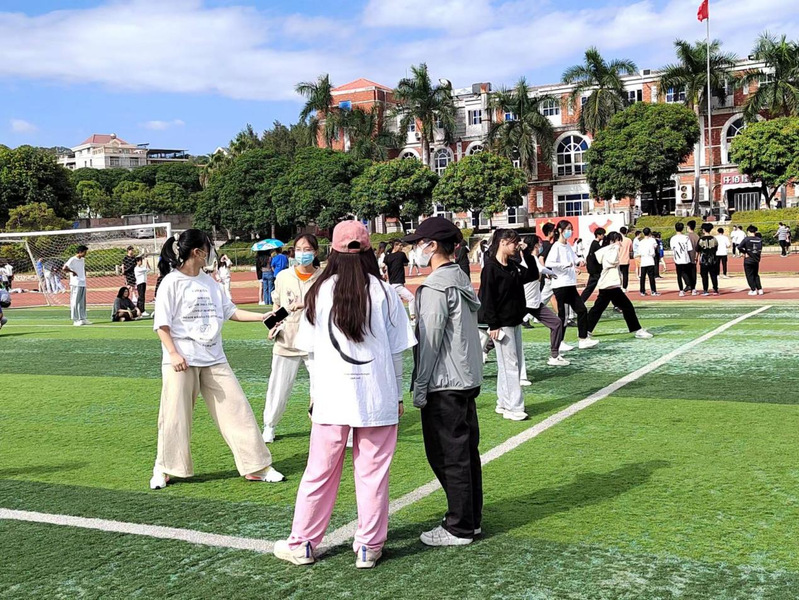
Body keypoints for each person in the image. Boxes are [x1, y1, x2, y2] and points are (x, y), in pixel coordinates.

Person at [274, 221, 415, 569]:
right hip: (377, 396)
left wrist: (314, 395)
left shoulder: (319, 292)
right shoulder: (385, 293)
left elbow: (310, 352)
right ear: (368, 251)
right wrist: (397, 394)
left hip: (331, 398)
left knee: (319, 472)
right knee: (372, 474)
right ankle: (369, 546)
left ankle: (303, 543)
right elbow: (397, 351)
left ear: (332, 252)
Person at [149, 229, 284, 491]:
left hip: (213, 358)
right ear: (197, 252)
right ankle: (164, 468)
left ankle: (256, 466)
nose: (212, 252)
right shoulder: (171, 282)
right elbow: (162, 325)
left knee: (237, 410)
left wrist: (262, 317)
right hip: (182, 360)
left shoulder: (211, 282)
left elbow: (230, 311)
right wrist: (173, 354)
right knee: (175, 417)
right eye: (208, 247)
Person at [402, 217, 483, 547]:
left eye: (418, 244)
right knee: (465, 454)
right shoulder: (460, 278)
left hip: (445, 382)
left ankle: (459, 525)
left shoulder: (436, 286)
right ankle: (470, 520)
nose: (415, 250)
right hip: (465, 378)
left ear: (432, 245)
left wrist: (420, 386)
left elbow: (430, 340)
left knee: (448, 456)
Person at [261, 234, 322, 443]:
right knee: (278, 387)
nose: (302, 254)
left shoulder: (324, 277)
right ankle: (269, 425)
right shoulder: (283, 276)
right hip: (287, 340)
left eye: (307, 249)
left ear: (316, 252)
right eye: (299, 249)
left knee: (321, 387)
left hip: (315, 342)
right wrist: (273, 326)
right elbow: (277, 305)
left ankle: (322, 425)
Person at [479, 229, 536, 421]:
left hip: (514, 320)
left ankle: (504, 402)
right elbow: (487, 298)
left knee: (510, 364)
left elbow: (532, 274)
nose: (516, 246)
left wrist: (527, 253)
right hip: (502, 324)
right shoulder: (490, 268)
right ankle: (514, 407)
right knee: (510, 365)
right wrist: (493, 324)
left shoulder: (512, 266)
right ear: (503, 242)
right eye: (514, 243)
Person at [587, 232, 653, 339]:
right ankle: (637, 330)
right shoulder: (608, 251)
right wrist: (615, 248)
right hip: (609, 285)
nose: (620, 243)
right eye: (618, 240)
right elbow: (611, 262)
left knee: (602, 309)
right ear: (612, 241)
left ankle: (586, 330)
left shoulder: (610, 250)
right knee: (622, 308)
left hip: (612, 286)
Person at [546, 220, 600, 349]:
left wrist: (580, 261)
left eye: (571, 229)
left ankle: (583, 339)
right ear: (560, 230)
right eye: (568, 229)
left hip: (570, 284)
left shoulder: (568, 246)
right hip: (560, 285)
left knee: (582, 310)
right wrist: (564, 265)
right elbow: (549, 263)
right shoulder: (556, 246)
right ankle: (559, 342)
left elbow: (574, 259)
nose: (570, 231)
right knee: (563, 315)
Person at [521, 235, 569, 367]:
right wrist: (552, 273)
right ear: (535, 245)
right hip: (523, 303)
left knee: (556, 323)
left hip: (535, 302)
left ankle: (555, 355)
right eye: (540, 243)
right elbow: (540, 268)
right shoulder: (528, 259)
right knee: (505, 327)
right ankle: (485, 350)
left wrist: (551, 273)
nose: (541, 246)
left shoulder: (533, 258)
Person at [384, 240, 416, 322]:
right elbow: (406, 263)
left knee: (395, 303)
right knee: (411, 298)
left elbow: (383, 266)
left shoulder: (387, 257)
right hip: (397, 284)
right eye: (400, 245)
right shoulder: (401, 254)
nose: (401, 247)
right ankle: (413, 317)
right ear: (395, 246)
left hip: (391, 284)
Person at [63, 245, 90, 326]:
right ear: (80, 252)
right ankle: (75, 319)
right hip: (75, 283)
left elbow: (82, 269)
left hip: (82, 282)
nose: (85, 254)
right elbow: (64, 268)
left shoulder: (82, 259)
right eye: (84, 252)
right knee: (75, 301)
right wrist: (72, 272)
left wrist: (84, 276)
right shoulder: (72, 259)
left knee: (82, 302)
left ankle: (83, 318)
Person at [580, 228, 605, 302]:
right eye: (602, 234)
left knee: (599, 287)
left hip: (595, 270)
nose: (603, 236)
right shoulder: (595, 244)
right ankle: (580, 302)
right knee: (590, 287)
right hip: (595, 271)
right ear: (598, 235)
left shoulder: (595, 244)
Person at [671, 223, 695, 297]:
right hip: (686, 259)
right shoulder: (686, 237)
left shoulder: (673, 238)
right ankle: (693, 289)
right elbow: (690, 249)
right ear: (682, 228)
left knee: (679, 276)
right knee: (690, 274)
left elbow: (672, 248)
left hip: (677, 259)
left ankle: (681, 291)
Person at [739, 225, 764, 295]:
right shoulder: (759, 239)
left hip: (748, 260)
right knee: (756, 274)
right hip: (756, 259)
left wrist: (745, 252)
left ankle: (753, 289)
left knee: (749, 275)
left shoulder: (746, 239)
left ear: (748, 231)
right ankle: (760, 289)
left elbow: (739, 247)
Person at [697, 223, 720, 296]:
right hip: (713, 259)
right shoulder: (714, 239)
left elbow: (698, 249)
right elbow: (716, 248)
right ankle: (715, 290)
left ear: (703, 230)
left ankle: (705, 290)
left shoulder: (701, 239)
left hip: (704, 259)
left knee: (704, 275)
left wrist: (697, 258)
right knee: (713, 275)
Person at [637, 228, 659, 296]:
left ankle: (642, 291)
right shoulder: (652, 240)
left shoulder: (641, 242)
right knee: (651, 276)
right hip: (650, 260)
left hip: (643, 260)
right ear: (649, 233)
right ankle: (653, 291)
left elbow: (639, 252)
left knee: (642, 277)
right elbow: (655, 247)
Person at [686, 220, 700, 292]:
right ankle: (693, 287)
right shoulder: (697, 236)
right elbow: (698, 248)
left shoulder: (686, 236)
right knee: (693, 272)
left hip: (687, 256)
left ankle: (689, 285)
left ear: (688, 227)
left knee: (686, 272)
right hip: (694, 255)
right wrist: (696, 256)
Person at [618, 226, 633, 292]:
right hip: (626, 259)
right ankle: (624, 287)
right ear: (626, 232)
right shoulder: (629, 240)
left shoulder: (617, 240)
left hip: (618, 260)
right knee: (625, 274)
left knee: (618, 274)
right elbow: (631, 249)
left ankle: (619, 286)